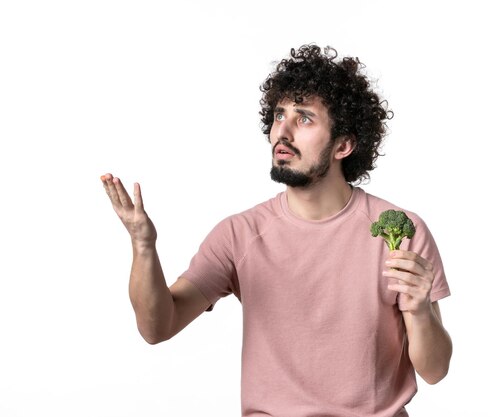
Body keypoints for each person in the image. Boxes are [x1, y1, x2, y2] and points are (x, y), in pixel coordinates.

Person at [101, 44, 452, 417]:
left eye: (303, 119)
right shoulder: (240, 235)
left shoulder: (399, 232)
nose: (281, 132)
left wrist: (418, 312)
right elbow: (157, 327)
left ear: (344, 145)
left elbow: (435, 370)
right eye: (278, 115)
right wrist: (143, 246)